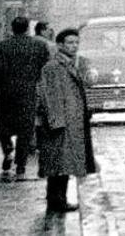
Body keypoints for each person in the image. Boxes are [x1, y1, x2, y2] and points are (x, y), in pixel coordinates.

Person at [36, 29, 96, 213]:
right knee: (58, 164)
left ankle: (58, 200)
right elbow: (49, 95)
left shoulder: (74, 64)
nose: (74, 46)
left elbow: (88, 83)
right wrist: (56, 122)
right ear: (60, 45)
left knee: (64, 163)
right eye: (70, 43)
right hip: (61, 123)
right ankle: (56, 201)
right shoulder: (53, 67)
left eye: (76, 42)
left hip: (73, 121)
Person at [0, 16, 51, 177]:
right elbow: (46, 68)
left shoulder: (3, 46)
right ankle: (21, 165)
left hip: (7, 93)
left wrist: (2, 85)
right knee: (26, 129)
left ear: (12, 28)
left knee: (4, 125)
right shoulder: (39, 46)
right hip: (28, 93)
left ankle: (7, 148)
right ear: (27, 29)